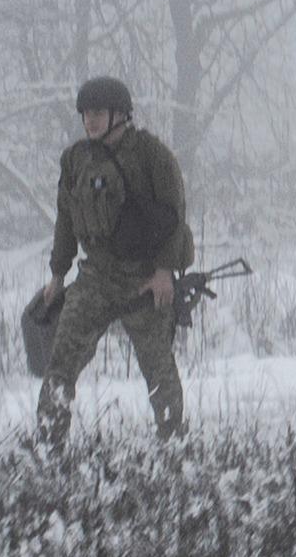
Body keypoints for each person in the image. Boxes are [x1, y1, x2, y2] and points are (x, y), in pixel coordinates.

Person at [34, 76, 194, 447]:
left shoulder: (152, 155)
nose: (90, 120)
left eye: (99, 113)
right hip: (97, 277)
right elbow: (66, 218)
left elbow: (175, 215)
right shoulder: (75, 160)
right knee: (62, 361)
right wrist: (58, 274)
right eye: (86, 113)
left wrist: (163, 273)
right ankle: (47, 442)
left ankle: (173, 441)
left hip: (144, 277)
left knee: (157, 367)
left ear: (119, 115)